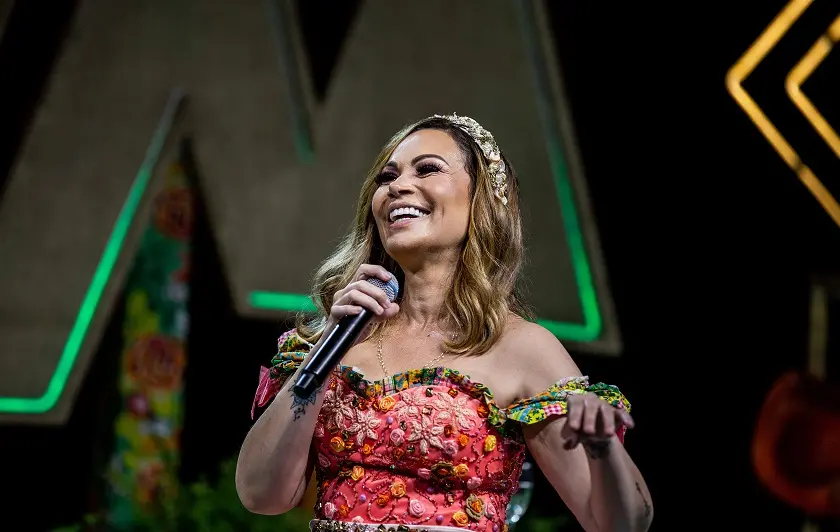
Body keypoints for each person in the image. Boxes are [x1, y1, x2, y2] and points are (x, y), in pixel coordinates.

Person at [236, 114, 653, 531]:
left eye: (428, 168)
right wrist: (325, 354)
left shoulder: (523, 349)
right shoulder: (332, 337)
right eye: (387, 176)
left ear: (481, 199)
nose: (397, 186)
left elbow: (619, 525)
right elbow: (261, 495)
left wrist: (601, 448)